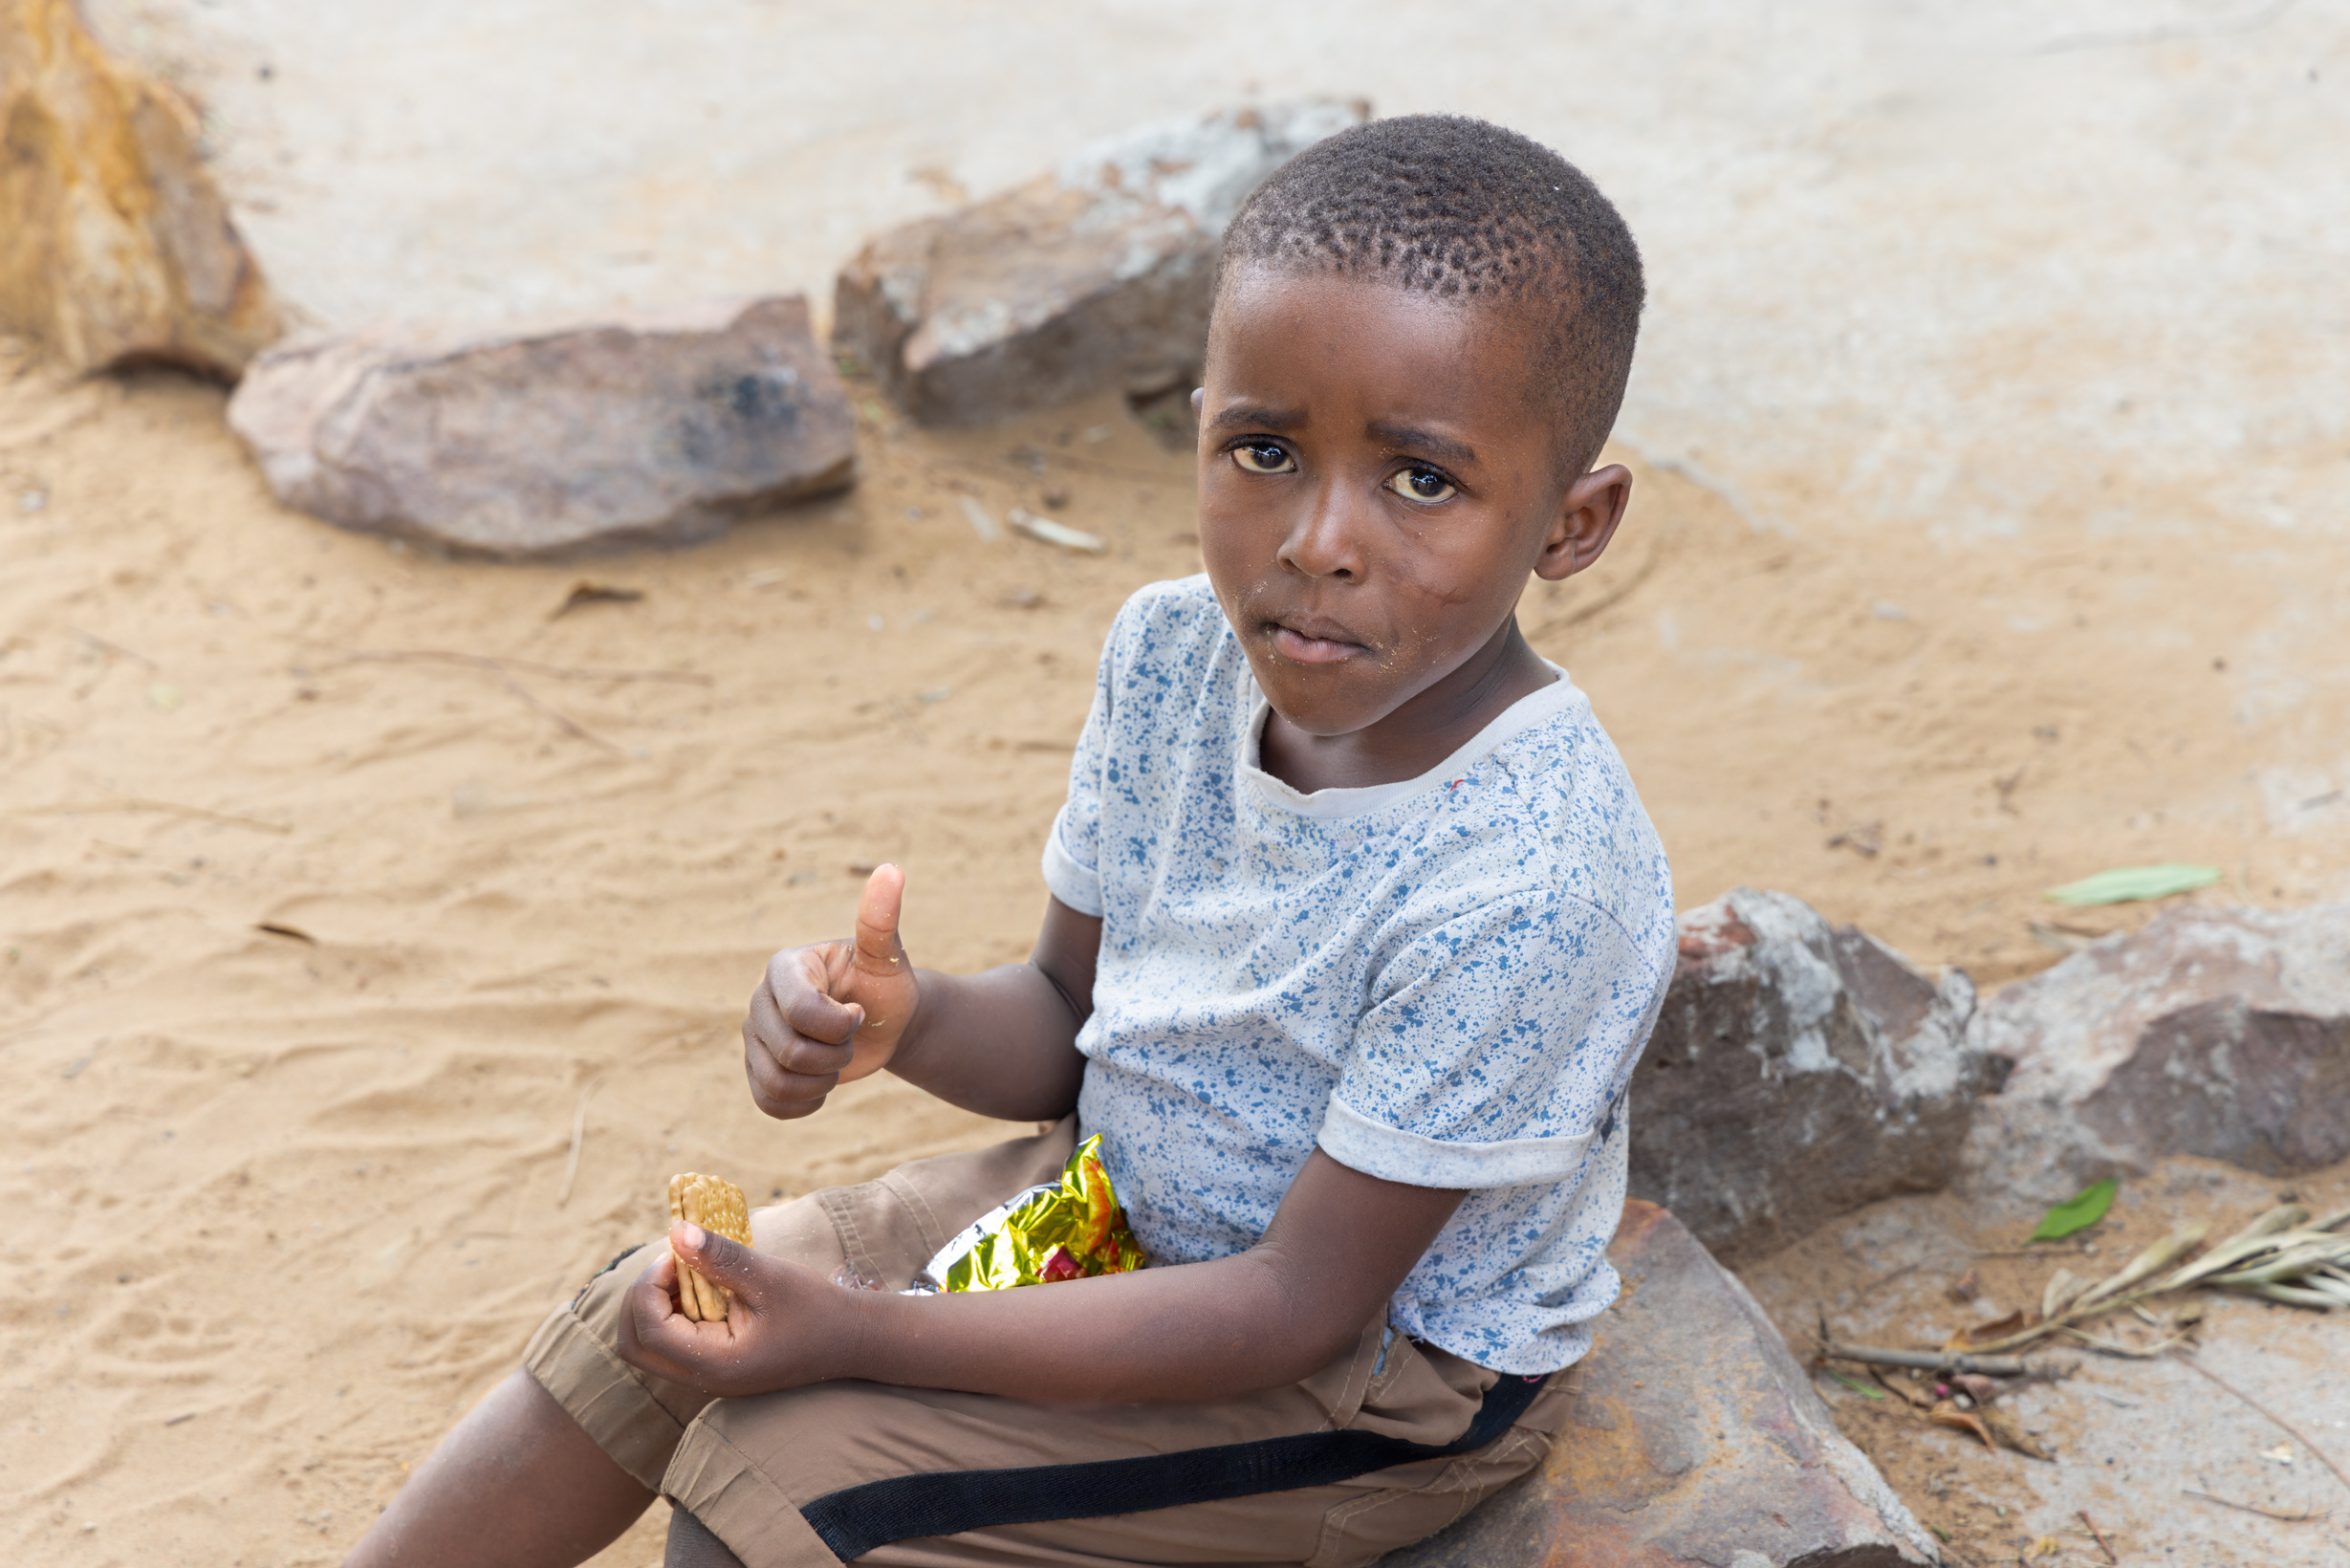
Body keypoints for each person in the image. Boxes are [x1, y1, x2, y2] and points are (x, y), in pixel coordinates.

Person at [346, 113, 1675, 1568]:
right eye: (1264, 450)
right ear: (1199, 431)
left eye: (1420, 480)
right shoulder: (1175, 655)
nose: (1318, 540)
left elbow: (1296, 1305)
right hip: (1114, 1210)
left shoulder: (1531, 874)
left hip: (1371, 1384)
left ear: (1572, 522)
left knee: (788, 1483)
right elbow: (1065, 1025)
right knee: (659, 1315)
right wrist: (902, 1022)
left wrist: (858, 1337)